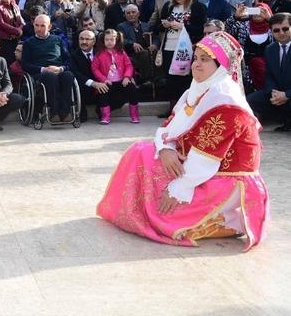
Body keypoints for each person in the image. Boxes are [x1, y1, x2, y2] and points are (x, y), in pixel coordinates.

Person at [97, 31, 268, 251]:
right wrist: (166, 148)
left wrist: (177, 189)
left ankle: (227, 219)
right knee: (140, 151)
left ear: (222, 65)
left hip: (227, 179)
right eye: (195, 58)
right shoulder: (198, 89)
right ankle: (141, 210)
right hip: (198, 165)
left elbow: (207, 158)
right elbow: (168, 125)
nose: (196, 65)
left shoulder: (227, 102)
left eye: (204, 60)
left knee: (166, 215)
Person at [153, 0, 207, 118]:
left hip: (187, 48)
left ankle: (188, 108)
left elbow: (200, 28)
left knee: (186, 78)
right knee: (170, 78)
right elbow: (157, 26)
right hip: (169, 46)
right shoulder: (168, 7)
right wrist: (164, 25)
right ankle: (172, 108)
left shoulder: (197, 7)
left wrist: (182, 26)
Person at [21, 15, 75, 121]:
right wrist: (43, 69)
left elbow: (69, 61)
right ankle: (54, 113)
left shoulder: (58, 40)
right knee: (50, 77)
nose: (39, 28)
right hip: (40, 72)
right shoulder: (28, 43)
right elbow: (25, 65)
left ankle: (65, 112)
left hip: (58, 69)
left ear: (49, 27)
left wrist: (61, 69)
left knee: (68, 76)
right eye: (36, 25)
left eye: (42, 26)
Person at [246, 12, 291, 131]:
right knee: (250, 101)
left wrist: (286, 95)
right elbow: (269, 76)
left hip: (289, 93)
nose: (281, 33)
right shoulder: (270, 49)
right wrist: (274, 93)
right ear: (271, 31)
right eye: (276, 30)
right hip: (277, 93)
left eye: (285, 29)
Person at [91, 29, 140, 124]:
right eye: (107, 40)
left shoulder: (121, 52)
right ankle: (105, 117)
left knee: (132, 90)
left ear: (116, 40)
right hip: (107, 82)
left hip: (121, 80)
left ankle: (134, 115)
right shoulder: (99, 54)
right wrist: (103, 79)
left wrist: (127, 77)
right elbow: (95, 69)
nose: (109, 42)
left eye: (112, 40)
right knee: (103, 93)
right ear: (103, 41)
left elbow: (129, 65)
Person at [226, 3, 273, 91]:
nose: (257, 13)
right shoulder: (242, 25)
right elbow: (227, 30)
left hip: (268, 68)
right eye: (255, 10)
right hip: (247, 68)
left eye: (261, 11)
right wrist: (235, 16)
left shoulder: (273, 28)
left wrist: (270, 19)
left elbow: (285, 32)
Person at [116, 4, 152, 84]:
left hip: (148, 51)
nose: (131, 14)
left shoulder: (146, 25)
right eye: (128, 13)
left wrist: (155, 45)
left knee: (156, 53)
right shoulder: (121, 26)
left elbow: (155, 38)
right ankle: (146, 80)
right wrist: (132, 43)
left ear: (138, 14)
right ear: (125, 15)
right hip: (131, 54)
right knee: (145, 53)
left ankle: (158, 80)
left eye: (133, 12)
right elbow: (120, 40)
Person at [70, 29, 100, 123]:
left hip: (100, 87)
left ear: (94, 41)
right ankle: (80, 113)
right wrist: (92, 83)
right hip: (83, 89)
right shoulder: (73, 55)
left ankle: (102, 110)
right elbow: (76, 73)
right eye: (81, 39)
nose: (84, 42)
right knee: (77, 83)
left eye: (87, 39)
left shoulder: (100, 53)